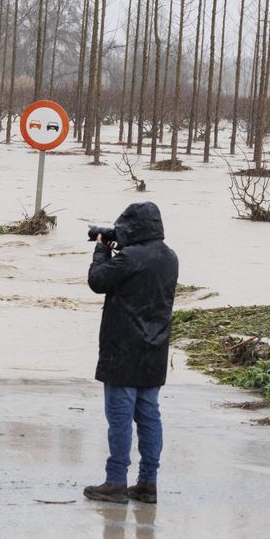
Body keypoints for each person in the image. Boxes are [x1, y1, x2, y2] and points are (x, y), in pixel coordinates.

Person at [83, 202, 178, 505]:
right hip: (155, 350)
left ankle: (115, 482)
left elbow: (97, 281)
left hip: (123, 351)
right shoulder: (169, 257)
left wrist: (101, 250)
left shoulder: (130, 259)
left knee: (120, 418)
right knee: (149, 417)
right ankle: (148, 482)